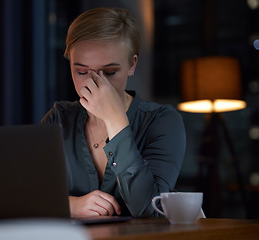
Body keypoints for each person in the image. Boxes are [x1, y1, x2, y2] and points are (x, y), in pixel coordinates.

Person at [41, 7, 186, 218]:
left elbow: (148, 208)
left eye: (109, 72)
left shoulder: (161, 121)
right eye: (81, 71)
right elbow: (24, 194)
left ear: (131, 64)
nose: (94, 83)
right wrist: (70, 205)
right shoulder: (58, 119)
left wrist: (115, 119)